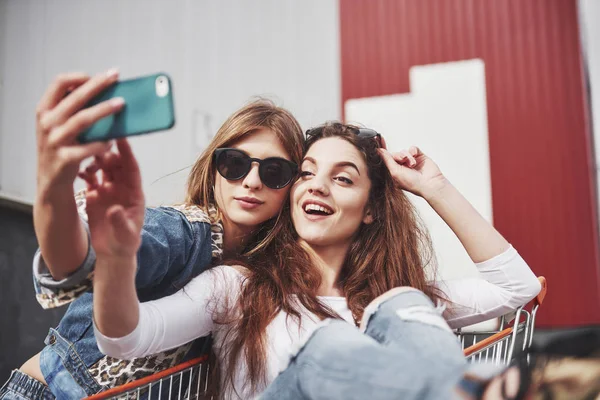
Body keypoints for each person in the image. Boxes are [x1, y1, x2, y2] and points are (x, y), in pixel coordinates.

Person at [91, 122, 541, 399]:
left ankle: (467, 390)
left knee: (405, 301)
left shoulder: (387, 307)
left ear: (370, 210)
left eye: (342, 179)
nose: (317, 186)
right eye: (305, 174)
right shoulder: (241, 288)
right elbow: (124, 338)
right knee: (324, 345)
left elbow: (516, 288)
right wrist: (114, 258)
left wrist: (434, 186)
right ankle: (471, 389)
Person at [1, 70, 305, 400]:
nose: (252, 181)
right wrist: (54, 186)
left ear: (294, 185)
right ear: (213, 167)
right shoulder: (185, 231)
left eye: (275, 171)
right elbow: (81, 260)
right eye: (235, 163)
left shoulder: (261, 270)